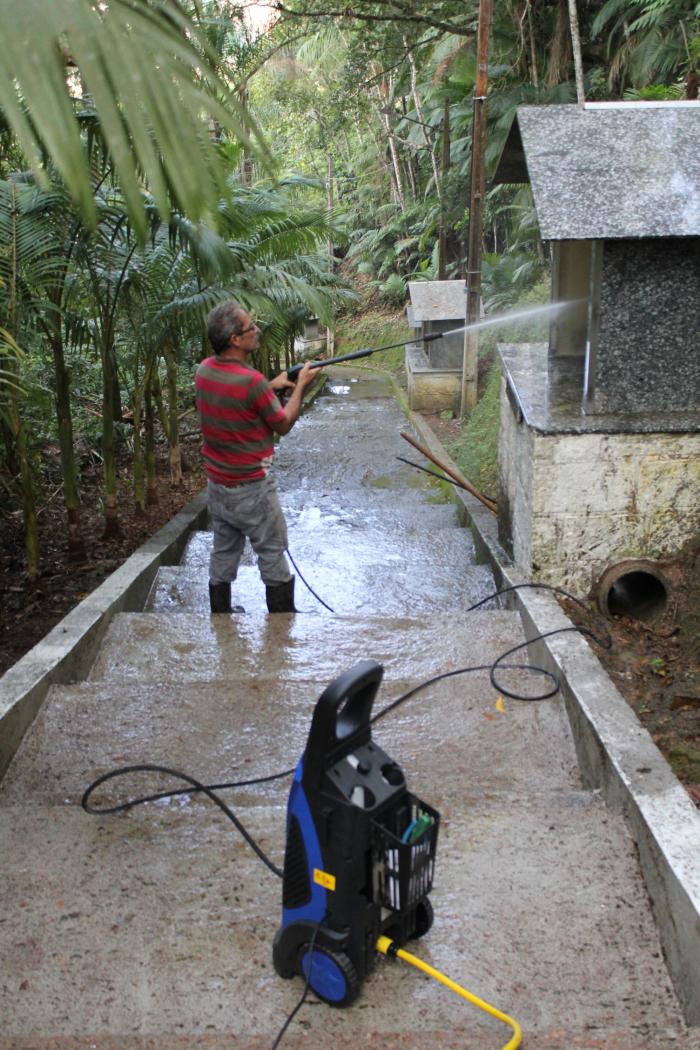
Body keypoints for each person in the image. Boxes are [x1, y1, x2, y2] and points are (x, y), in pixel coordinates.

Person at [195, 300, 316, 614]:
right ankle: (281, 624)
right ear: (236, 339)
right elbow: (283, 423)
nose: (257, 330)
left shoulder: (204, 371)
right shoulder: (252, 383)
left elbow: (238, 404)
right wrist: (298, 386)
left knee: (223, 551)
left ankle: (220, 615)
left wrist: (273, 386)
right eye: (251, 327)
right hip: (253, 489)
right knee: (272, 552)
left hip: (218, 487)